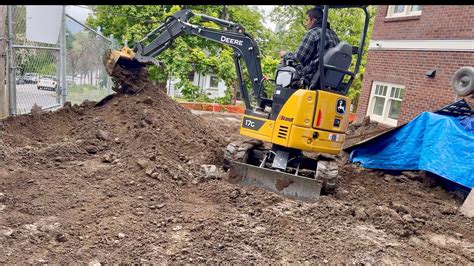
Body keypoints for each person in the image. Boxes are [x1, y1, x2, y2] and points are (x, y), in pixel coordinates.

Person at [279, 7, 340, 84]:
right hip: (329, 77)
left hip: (312, 74)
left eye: (307, 20)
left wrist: (285, 54)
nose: (306, 23)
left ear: (313, 20)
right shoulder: (333, 34)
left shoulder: (313, 32)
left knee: (283, 66)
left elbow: (299, 57)